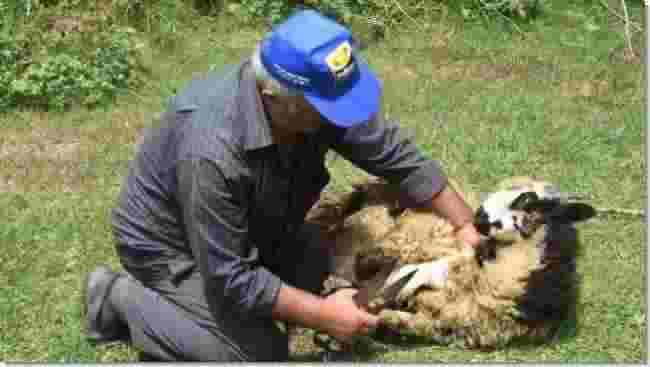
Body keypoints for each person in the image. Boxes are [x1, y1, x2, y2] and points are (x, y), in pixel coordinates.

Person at [83, 9, 482, 362]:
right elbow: (231, 275)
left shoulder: (310, 100)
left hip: (259, 228)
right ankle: (118, 299)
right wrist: (324, 316)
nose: (339, 117)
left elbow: (396, 154)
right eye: (327, 108)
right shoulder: (212, 149)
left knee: (348, 273)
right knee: (256, 354)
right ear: (277, 97)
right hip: (173, 249)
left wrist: (466, 228)